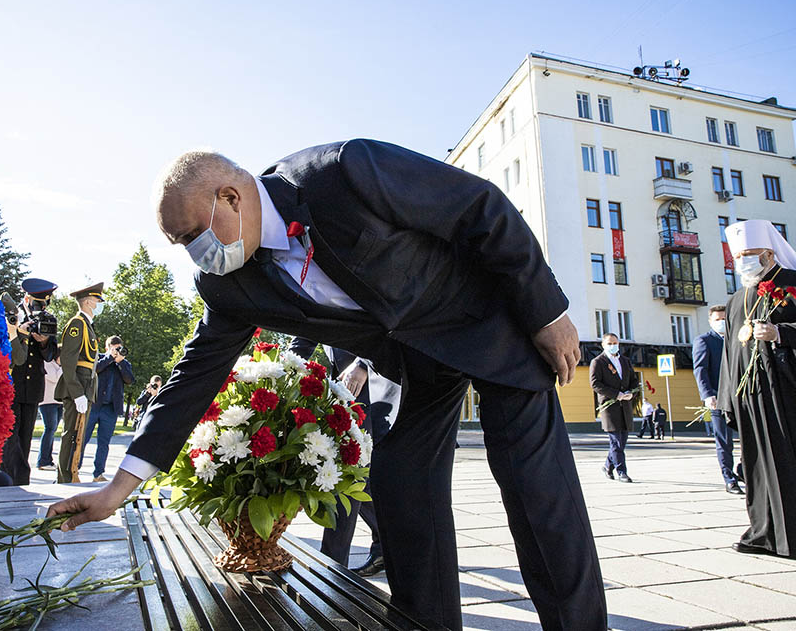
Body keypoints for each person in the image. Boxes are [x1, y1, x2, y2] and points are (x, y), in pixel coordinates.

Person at [48, 140, 606, 631]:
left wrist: (548, 313)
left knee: (537, 497)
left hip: (492, 327)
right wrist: (115, 492)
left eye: (193, 235)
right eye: (180, 244)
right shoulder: (228, 284)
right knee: (403, 490)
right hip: (414, 365)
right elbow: (191, 379)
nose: (194, 254)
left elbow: (479, 208)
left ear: (231, 198)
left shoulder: (344, 171)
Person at [289, 337, 398, 574]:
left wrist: (363, 364)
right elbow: (304, 336)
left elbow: (384, 318)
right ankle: (389, 544)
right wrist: (284, 370)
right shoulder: (315, 298)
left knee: (347, 472)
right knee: (358, 477)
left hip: (376, 384)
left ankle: (332, 566)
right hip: (346, 387)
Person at [720, 220, 796, 558]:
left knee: (787, 459)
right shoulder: (738, 298)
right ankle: (763, 533)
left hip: (786, 391)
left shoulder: (792, 284)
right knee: (756, 466)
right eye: (737, 258)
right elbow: (729, 352)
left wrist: (780, 334)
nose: (742, 263)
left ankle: (790, 534)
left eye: (748, 255)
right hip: (751, 395)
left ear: (768, 253)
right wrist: (727, 399)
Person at [0, 278, 59, 486]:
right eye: (37, 303)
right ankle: (7, 480)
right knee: (9, 438)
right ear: (26, 299)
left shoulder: (48, 320)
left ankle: (22, 482)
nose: (41, 308)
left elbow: (51, 354)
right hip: (13, 384)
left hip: (33, 387)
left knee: (25, 437)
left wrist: (43, 343)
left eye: (44, 304)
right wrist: (21, 332)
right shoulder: (13, 316)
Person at [55, 282, 104, 484]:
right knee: (71, 433)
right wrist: (77, 393)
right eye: (98, 301)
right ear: (89, 302)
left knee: (79, 433)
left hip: (86, 383)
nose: (100, 304)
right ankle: (65, 477)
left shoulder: (87, 326)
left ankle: (72, 471)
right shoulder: (77, 324)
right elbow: (68, 361)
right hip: (78, 384)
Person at [692, 305, 742, 494]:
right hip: (717, 397)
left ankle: (742, 471)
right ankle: (729, 479)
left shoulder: (737, 338)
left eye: (724, 319)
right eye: (717, 319)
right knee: (724, 441)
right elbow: (700, 369)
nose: (722, 322)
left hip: (740, 396)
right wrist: (707, 395)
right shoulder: (704, 340)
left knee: (749, 438)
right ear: (710, 321)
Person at [80, 336, 135, 482]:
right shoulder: (99, 359)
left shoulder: (124, 363)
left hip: (110, 409)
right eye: (114, 348)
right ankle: (75, 469)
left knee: (103, 443)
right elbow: (95, 369)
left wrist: (120, 363)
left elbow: (130, 380)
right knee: (83, 439)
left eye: (119, 348)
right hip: (94, 405)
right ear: (107, 348)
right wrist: (109, 358)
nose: (117, 351)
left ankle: (98, 473)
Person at [590, 333, 636, 483]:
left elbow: (634, 380)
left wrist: (631, 392)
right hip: (610, 408)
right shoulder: (598, 362)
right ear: (603, 345)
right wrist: (616, 395)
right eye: (609, 343)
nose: (613, 345)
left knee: (622, 441)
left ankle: (607, 466)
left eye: (615, 343)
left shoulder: (625, 361)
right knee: (616, 441)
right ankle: (621, 471)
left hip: (625, 407)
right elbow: (595, 384)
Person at [37, 358, 63, 471]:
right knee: (49, 429)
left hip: (59, 401)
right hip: (47, 402)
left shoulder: (59, 367)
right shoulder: (47, 364)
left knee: (52, 430)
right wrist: (64, 368)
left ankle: (48, 460)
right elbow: (56, 378)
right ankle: (43, 461)